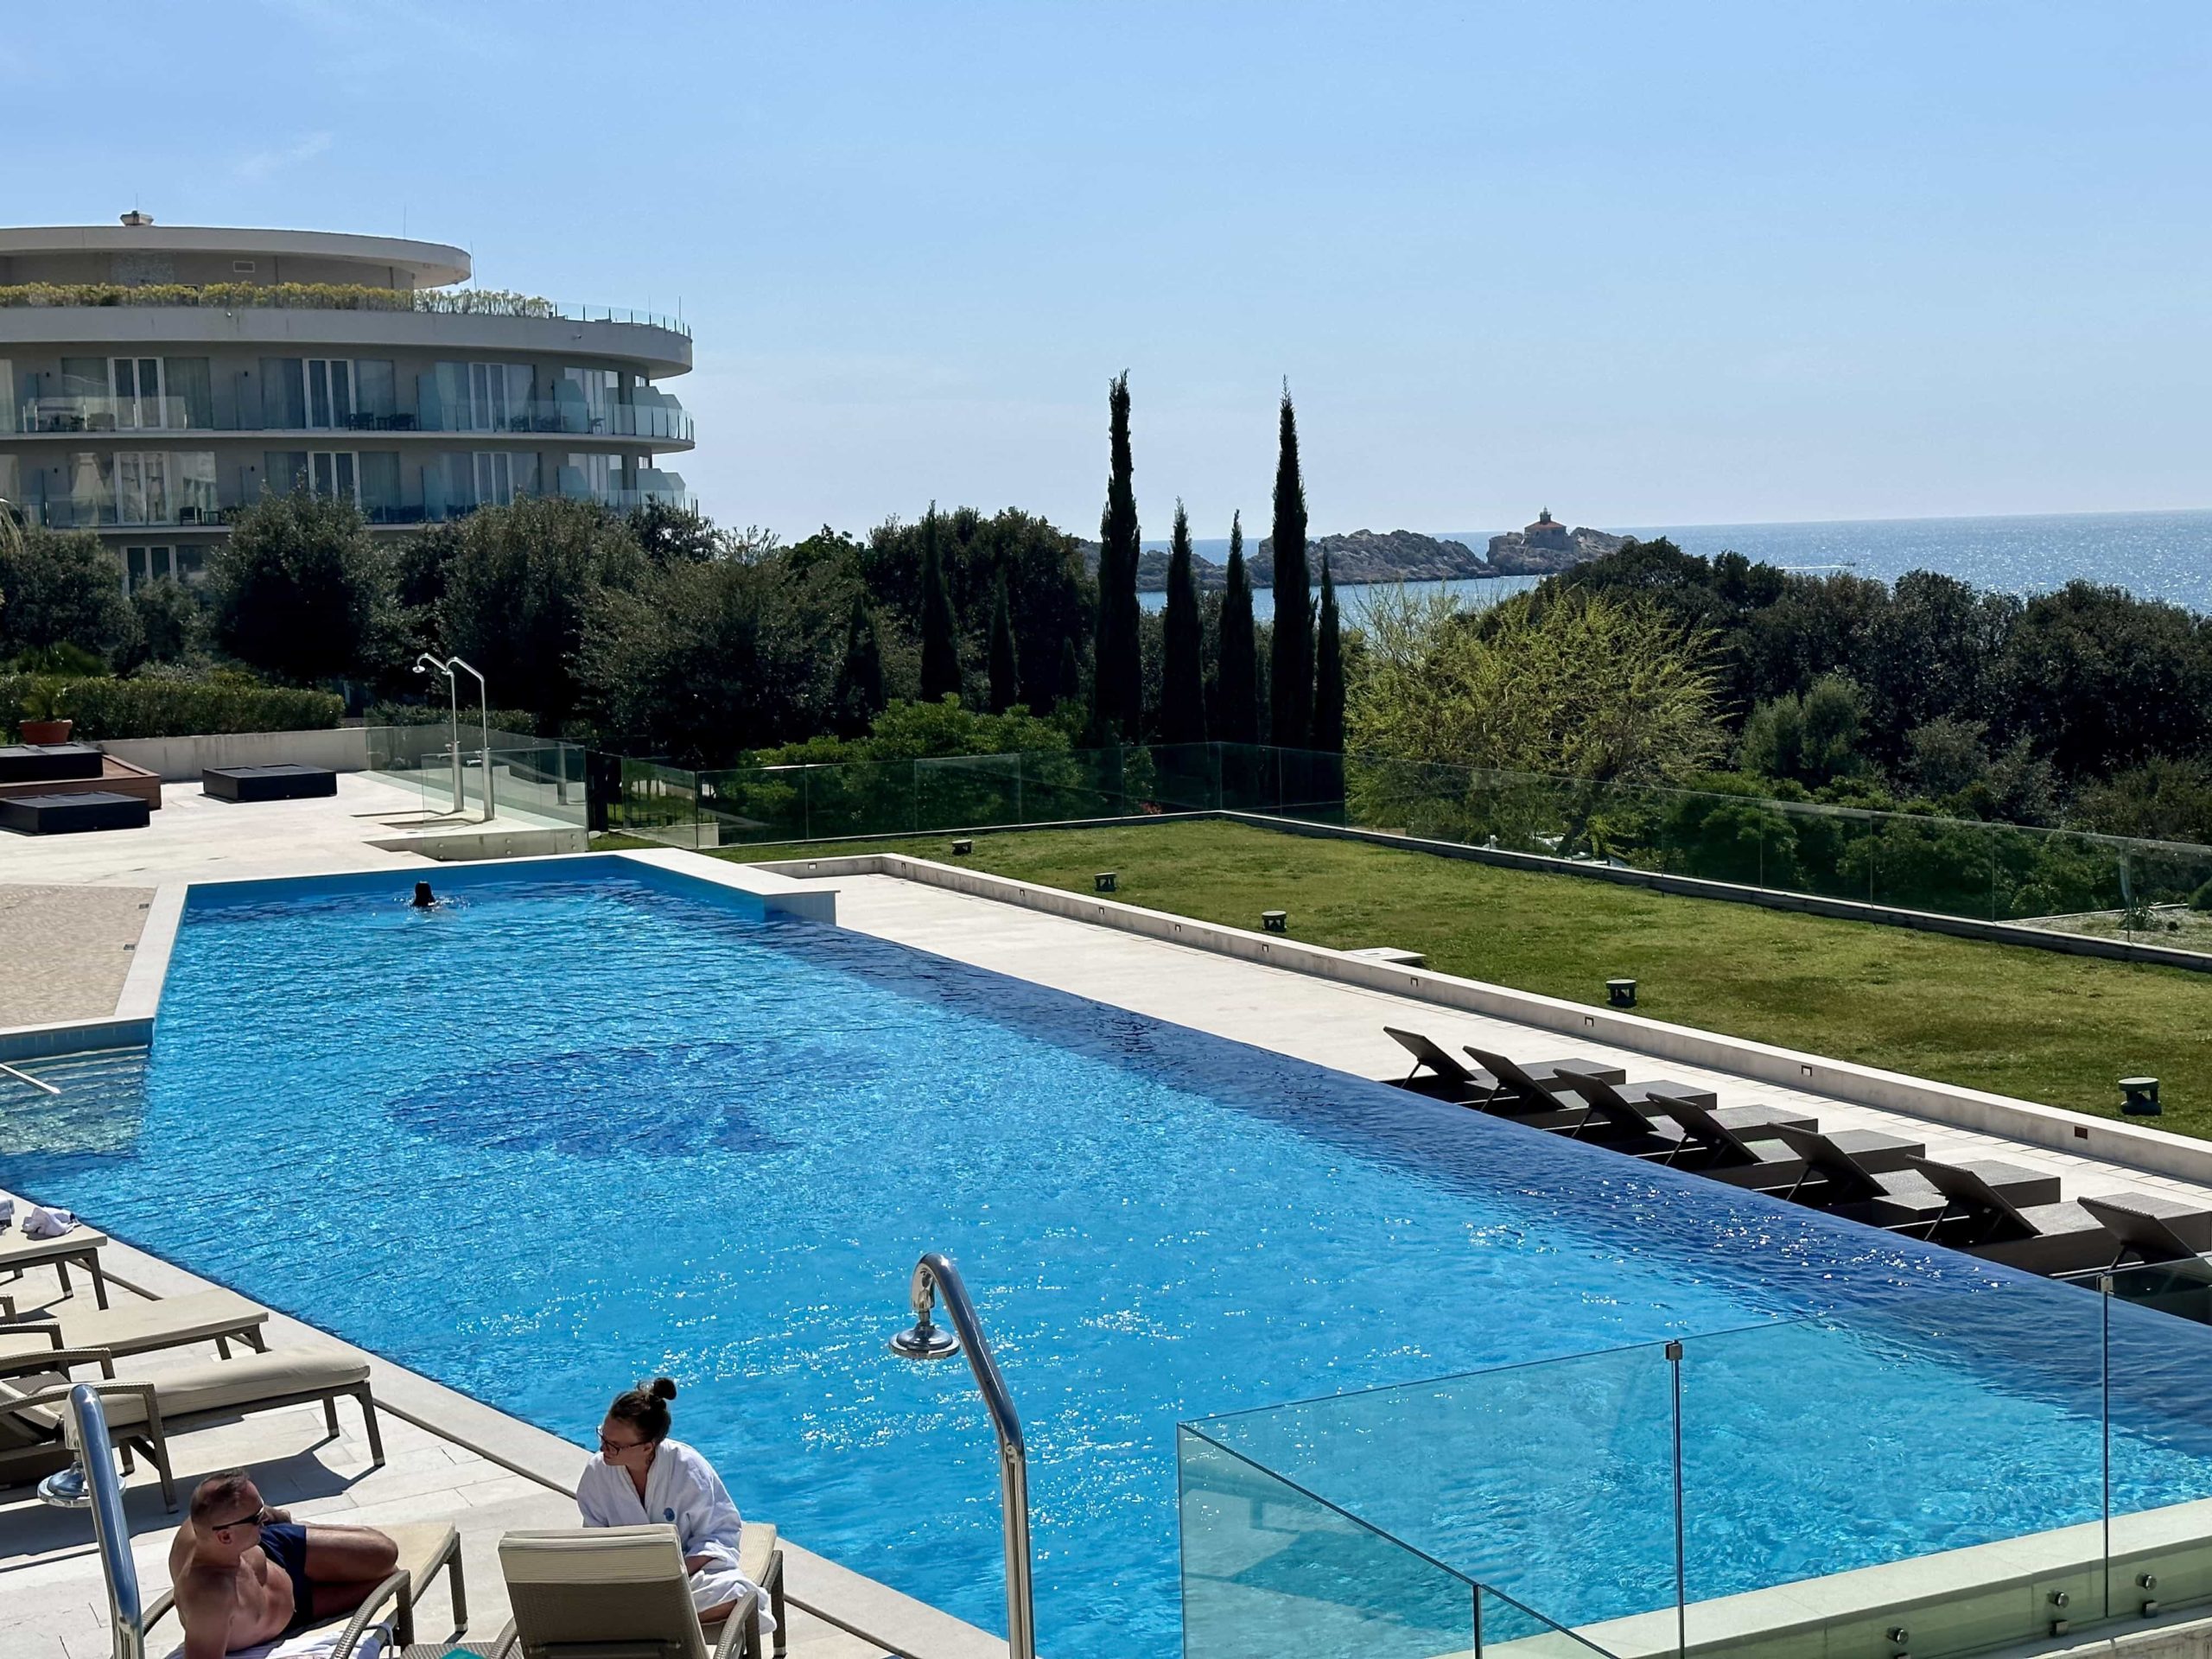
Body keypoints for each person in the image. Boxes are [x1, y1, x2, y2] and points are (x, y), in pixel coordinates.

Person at [576, 1378, 772, 1630]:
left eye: (614, 1445)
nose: (604, 1449)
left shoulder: (687, 1467)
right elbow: (594, 1539)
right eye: (603, 1437)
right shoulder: (597, 1472)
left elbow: (719, 1533)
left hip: (689, 1575)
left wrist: (676, 1572)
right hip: (626, 1581)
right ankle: (661, 1621)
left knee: (735, 1592)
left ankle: (646, 1623)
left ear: (647, 1446)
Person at [168, 1471, 399, 1659]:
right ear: (226, 1537)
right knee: (390, 1576)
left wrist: (275, 1516)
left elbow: (223, 1504)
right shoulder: (210, 1599)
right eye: (257, 1518)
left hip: (274, 1551)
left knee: (384, 1551)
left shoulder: (207, 1526)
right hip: (298, 1611)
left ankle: (295, 1525)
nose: (263, 1519)